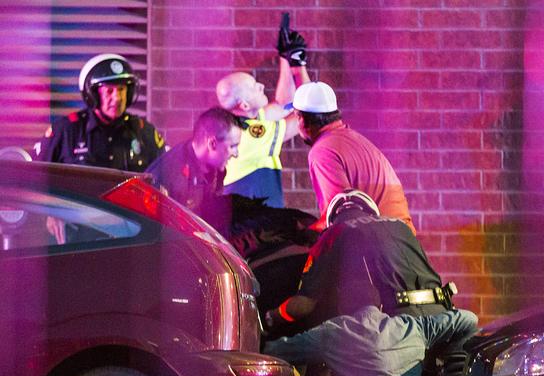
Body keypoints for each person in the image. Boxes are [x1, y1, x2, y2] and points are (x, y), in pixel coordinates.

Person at [263, 189, 478, 376]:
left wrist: (270, 318)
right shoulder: (401, 228)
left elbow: (304, 304)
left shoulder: (336, 233)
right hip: (437, 319)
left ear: (334, 216)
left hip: (394, 319)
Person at [288, 81, 416, 234]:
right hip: (402, 240)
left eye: (296, 117)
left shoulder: (322, 151)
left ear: (302, 119)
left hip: (379, 244)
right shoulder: (355, 139)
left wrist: (296, 236)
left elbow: (339, 214)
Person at [215, 14, 311, 208]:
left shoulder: (244, 121)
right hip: (257, 225)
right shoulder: (252, 135)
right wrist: (298, 65)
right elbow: (307, 111)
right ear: (244, 105)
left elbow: (285, 103)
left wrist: (285, 56)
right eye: (253, 87)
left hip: (253, 218)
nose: (260, 85)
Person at [34, 53, 166, 170]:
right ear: (93, 95)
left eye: (121, 90)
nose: (117, 98)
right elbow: (38, 181)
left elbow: (165, 180)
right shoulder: (65, 132)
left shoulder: (144, 132)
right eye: (109, 91)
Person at [146, 107, 243, 226]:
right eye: (233, 146)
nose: (236, 153)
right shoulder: (172, 177)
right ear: (212, 144)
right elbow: (160, 232)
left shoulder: (215, 169)